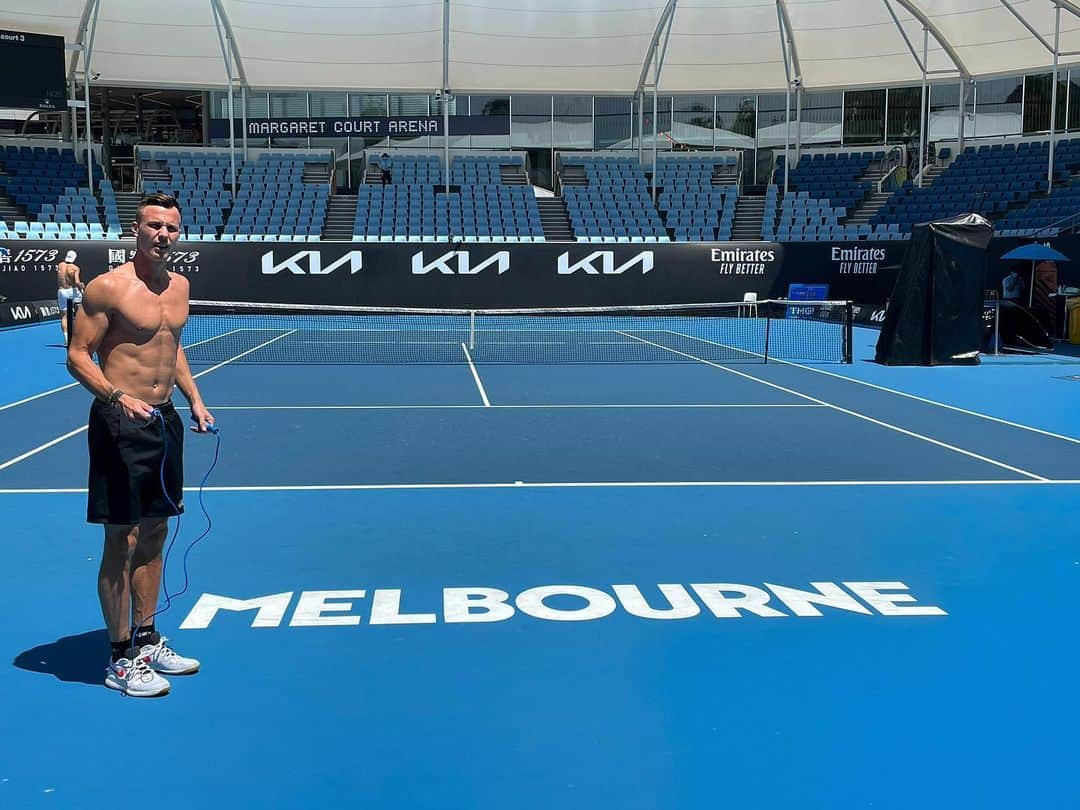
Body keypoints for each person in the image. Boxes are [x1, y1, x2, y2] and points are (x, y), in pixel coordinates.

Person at [66, 192, 215, 698]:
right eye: (154, 225)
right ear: (137, 229)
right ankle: (119, 655)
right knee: (121, 539)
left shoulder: (180, 287)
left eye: (171, 228)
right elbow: (78, 355)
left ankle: (147, 639)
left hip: (165, 420)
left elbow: (170, 350)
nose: (162, 235)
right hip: (118, 422)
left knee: (155, 532)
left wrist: (194, 398)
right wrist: (116, 396)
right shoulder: (108, 288)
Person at [56, 250, 84, 344]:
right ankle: (79, 337)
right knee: (80, 312)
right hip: (72, 291)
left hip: (62, 291)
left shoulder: (60, 265)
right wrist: (81, 286)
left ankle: (67, 339)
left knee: (64, 316)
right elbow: (76, 282)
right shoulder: (75, 268)